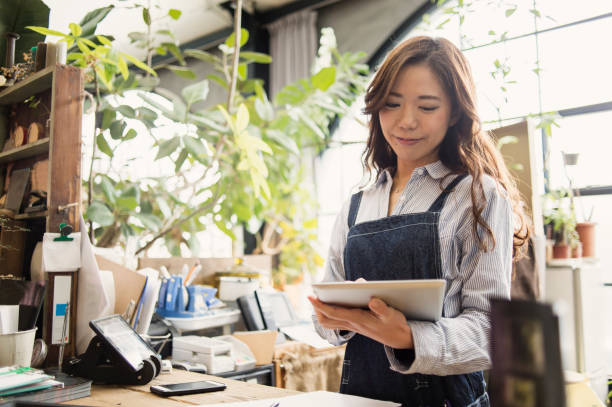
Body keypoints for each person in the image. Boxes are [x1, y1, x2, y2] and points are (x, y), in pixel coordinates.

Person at [309, 36, 530, 407]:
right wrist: (340, 318)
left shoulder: (477, 196)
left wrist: (409, 336)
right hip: (363, 399)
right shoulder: (357, 203)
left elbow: (491, 333)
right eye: (392, 104)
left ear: (456, 113)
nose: (406, 121)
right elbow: (324, 316)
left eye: (427, 107)